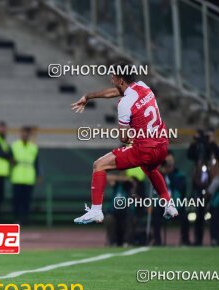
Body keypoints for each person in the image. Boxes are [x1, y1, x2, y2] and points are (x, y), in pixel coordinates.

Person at [71, 61, 178, 224]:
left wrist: (131, 138)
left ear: (121, 80)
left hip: (145, 149)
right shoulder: (143, 87)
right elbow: (115, 92)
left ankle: (96, 211)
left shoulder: (125, 104)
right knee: (149, 167)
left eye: (113, 77)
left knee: (99, 165)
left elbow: (123, 137)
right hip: (162, 145)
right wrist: (89, 96)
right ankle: (169, 204)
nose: (111, 80)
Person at [187, 128, 219, 245]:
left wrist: (212, 142)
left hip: (213, 184)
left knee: (214, 212)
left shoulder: (215, 147)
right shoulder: (199, 147)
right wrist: (196, 142)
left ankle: (215, 239)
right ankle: (198, 240)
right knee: (199, 212)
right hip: (200, 183)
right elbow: (189, 155)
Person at [152, 151, 190, 246]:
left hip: (176, 204)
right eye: (166, 160)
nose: (168, 163)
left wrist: (169, 175)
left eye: (170, 160)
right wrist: (162, 174)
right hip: (162, 205)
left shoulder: (179, 175)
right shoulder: (159, 174)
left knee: (185, 215)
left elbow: (181, 188)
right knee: (155, 212)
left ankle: (185, 240)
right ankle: (157, 241)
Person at [11, 126, 41, 225]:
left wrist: (38, 175)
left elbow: (36, 163)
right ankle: (16, 219)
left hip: (28, 178)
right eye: (22, 133)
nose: (24, 135)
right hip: (17, 178)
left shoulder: (33, 147)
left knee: (26, 201)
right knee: (17, 201)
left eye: (26, 133)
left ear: (28, 135)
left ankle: (24, 220)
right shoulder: (14, 146)